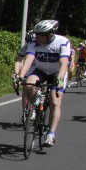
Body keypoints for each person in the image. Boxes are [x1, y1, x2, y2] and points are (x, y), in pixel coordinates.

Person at [15, 19, 72, 147]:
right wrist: (20, 77)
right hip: (40, 70)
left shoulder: (62, 42)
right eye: (36, 34)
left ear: (50, 34)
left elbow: (64, 63)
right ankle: (34, 107)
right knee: (29, 85)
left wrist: (59, 80)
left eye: (40, 35)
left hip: (57, 72)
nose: (37, 37)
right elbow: (28, 60)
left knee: (54, 101)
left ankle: (51, 134)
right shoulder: (34, 42)